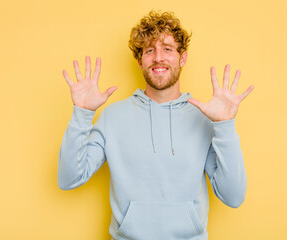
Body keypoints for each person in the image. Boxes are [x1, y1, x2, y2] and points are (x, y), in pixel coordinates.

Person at [58, 10, 254, 240]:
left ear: (182, 58)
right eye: (150, 50)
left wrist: (225, 125)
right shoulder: (112, 117)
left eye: (168, 49)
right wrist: (82, 113)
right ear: (140, 61)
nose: (158, 57)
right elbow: (68, 179)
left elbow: (233, 197)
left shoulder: (204, 119)